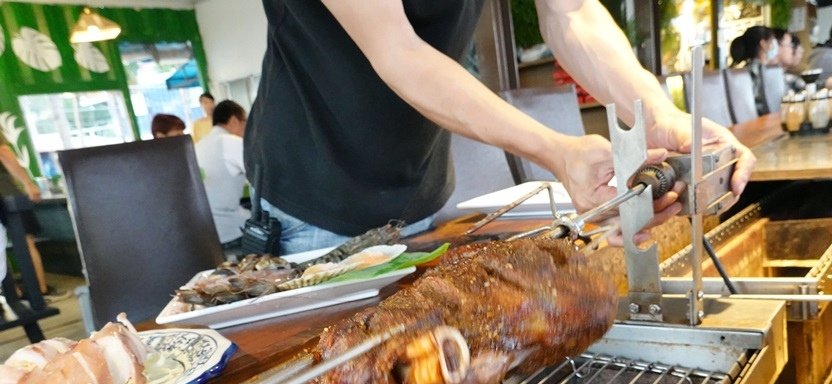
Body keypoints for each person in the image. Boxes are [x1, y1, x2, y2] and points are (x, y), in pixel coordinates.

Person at [244, 0, 755, 255]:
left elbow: (572, 11)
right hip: (316, 194)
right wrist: (555, 150)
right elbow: (397, 51)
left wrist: (656, 114)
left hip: (418, 186)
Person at [0, 132, 54, 298]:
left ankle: (12, 293)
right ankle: (39, 290)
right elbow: (3, 152)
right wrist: (28, 183)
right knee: (26, 241)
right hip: (5, 192)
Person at [195, 100, 250, 254]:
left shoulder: (199, 145)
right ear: (233, 120)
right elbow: (259, 177)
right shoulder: (231, 142)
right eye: (244, 122)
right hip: (231, 232)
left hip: (207, 234)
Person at [729, 25, 777, 115]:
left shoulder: (743, 70)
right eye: (772, 42)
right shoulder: (758, 71)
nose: (774, 47)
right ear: (763, 44)